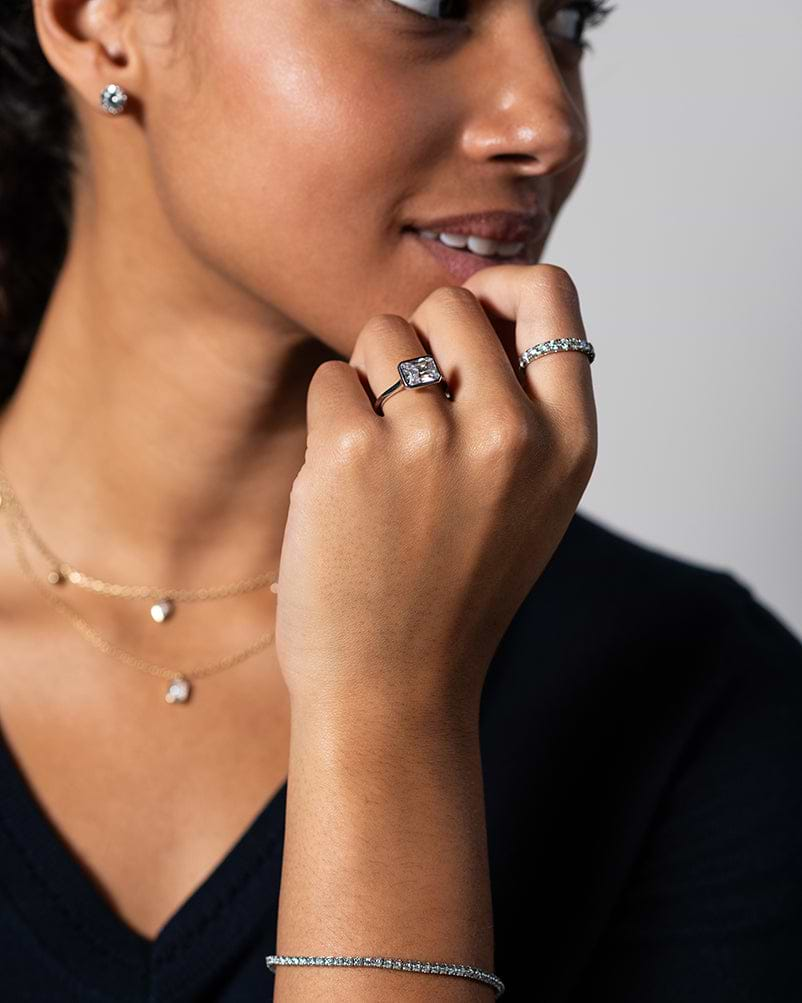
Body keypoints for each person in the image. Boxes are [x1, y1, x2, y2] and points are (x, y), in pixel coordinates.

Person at [0, 1, 800, 1001]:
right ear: (101, 21)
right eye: (427, 4)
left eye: (569, 20)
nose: (545, 120)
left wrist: (391, 713)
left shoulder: (703, 704)